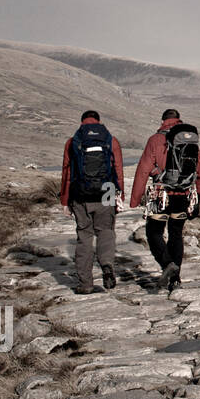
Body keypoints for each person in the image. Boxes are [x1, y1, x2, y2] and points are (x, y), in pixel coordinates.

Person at [130, 108, 200, 292]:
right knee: (176, 234)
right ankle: (176, 279)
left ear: (162, 120)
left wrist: (135, 199)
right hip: (182, 195)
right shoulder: (191, 142)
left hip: (160, 194)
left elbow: (143, 170)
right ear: (178, 119)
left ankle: (167, 264)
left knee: (154, 232)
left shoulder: (155, 140)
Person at [59, 110, 124, 294]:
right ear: (99, 121)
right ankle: (107, 265)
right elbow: (118, 169)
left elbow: (67, 172)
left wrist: (65, 200)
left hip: (80, 194)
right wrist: (120, 195)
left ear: (81, 123)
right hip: (107, 192)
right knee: (106, 231)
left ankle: (85, 284)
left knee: (84, 237)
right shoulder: (110, 140)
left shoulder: (73, 142)